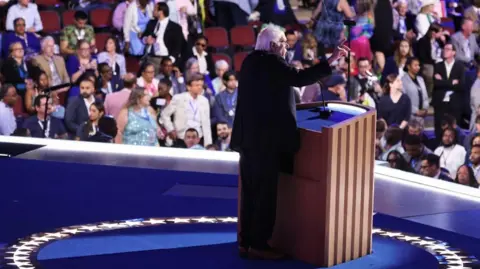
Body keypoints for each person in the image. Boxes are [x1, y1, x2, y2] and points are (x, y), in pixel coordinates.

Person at [230, 24, 348, 260]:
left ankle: (246, 241)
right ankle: (260, 244)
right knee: (265, 193)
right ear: (274, 45)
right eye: (284, 42)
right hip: (266, 142)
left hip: (248, 139)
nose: (286, 46)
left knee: (251, 191)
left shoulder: (251, 61)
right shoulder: (273, 63)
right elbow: (300, 78)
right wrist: (332, 59)